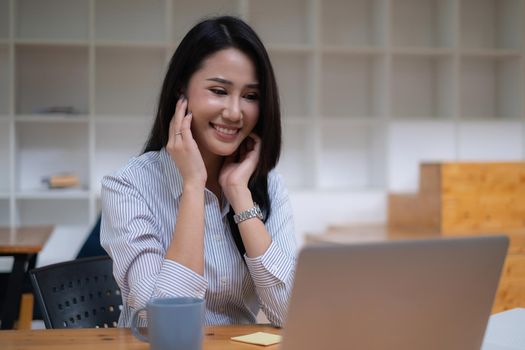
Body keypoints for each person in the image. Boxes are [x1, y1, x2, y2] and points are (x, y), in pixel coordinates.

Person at [100, 16, 296, 328]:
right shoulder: (128, 186)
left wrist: (240, 196)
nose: (234, 112)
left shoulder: (267, 185)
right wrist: (193, 186)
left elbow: (291, 314)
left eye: (250, 96)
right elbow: (161, 323)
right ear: (182, 90)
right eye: (219, 90)